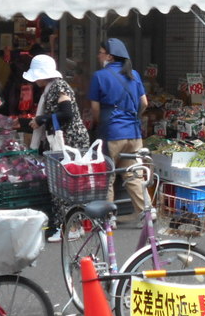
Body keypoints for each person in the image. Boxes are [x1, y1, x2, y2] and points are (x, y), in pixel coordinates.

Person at [23, 54, 90, 240]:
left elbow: (67, 113)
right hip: (67, 141)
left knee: (62, 184)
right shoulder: (53, 88)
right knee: (69, 184)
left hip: (69, 142)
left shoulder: (59, 86)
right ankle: (73, 225)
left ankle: (69, 227)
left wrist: (41, 119)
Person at [89, 38, 148, 220]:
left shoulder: (99, 76)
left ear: (110, 56)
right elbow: (144, 103)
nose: (98, 56)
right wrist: (133, 117)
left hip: (112, 133)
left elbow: (95, 109)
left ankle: (109, 218)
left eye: (101, 53)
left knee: (107, 176)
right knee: (134, 175)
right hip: (134, 134)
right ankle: (146, 213)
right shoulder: (134, 74)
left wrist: (100, 122)